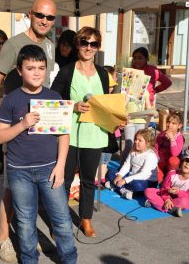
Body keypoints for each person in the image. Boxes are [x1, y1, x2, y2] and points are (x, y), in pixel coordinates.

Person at [0, 0, 57, 262]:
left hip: (39, 129)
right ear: (30, 14)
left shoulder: (49, 46)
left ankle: (27, 237)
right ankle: (3, 238)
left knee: (35, 187)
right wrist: (0, 118)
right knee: (11, 188)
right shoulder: (13, 44)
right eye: (40, 15)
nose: (45, 21)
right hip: (17, 127)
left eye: (50, 17)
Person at [0, 45, 77, 264]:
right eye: (31, 68)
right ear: (20, 71)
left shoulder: (53, 96)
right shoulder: (11, 100)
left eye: (41, 67)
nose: (37, 72)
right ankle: (30, 259)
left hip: (50, 168)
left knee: (61, 219)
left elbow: (64, 135)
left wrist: (60, 166)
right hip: (19, 172)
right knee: (25, 221)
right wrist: (22, 124)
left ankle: (69, 259)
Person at [51, 26, 109, 237]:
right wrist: (72, 105)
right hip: (70, 134)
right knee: (64, 179)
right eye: (84, 42)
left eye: (93, 44)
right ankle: (61, 220)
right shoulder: (67, 71)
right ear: (77, 44)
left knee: (87, 180)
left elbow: (107, 103)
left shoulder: (103, 73)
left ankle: (86, 219)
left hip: (95, 134)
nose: (88, 47)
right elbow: (52, 98)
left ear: (98, 47)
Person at [105, 128, 158, 200]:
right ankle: (123, 190)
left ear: (147, 143)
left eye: (140, 140)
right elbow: (127, 165)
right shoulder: (133, 151)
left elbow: (144, 174)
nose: (136, 142)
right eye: (136, 139)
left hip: (146, 180)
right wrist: (119, 176)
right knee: (111, 172)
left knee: (137, 185)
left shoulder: (150, 155)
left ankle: (117, 186)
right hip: (132, 176)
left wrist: (125, 180)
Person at [144, 153, 189, 217]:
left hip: (182, 199)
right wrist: (167, 199)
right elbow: (164, 189)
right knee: (148, 191)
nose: (187, 164)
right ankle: (171, 209)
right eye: (186, 160)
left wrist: (178, 192)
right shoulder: (171, 173)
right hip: (167, 197)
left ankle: (157, 204)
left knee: (185, 202)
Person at [95, 67, 119, 186]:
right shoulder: (98, 96)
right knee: (100, 155)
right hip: (100, 131)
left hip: (111, 132)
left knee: (106, 157)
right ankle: (96, 177)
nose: (111, 88)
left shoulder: (114, 97)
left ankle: (102, 177)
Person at [155, 111, 184, 183]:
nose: (170, 125)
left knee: (174, 160)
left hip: (172, 165)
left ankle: (171, 180)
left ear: (179, 126)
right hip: (161, 161)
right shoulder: (162, 134)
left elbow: (175, 154)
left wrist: (172, 138)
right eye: (168, 122)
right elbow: (156, 148)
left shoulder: (180, 138)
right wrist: (156, 161)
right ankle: (158, 185)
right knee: (157, 176)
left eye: (173, 123)